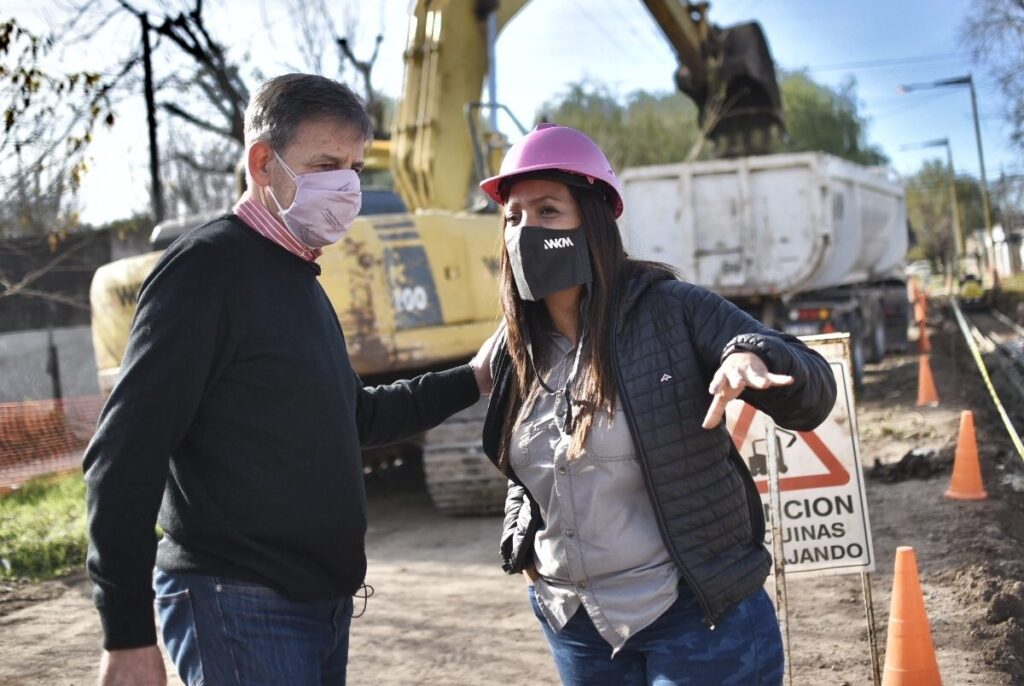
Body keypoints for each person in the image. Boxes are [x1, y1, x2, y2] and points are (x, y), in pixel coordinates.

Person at [84, 73, 496, 686]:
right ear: (262, 162)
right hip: (238, 602)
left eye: (356, 168)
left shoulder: (300, 277)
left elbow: (355, 417)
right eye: (328, 163)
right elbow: (124, 452)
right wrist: (127, 632)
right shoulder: (206, 271)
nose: (347, 187)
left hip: (316, 607)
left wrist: (473, 378)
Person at [477, 123, 838, 685]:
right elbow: (529, 467)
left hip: (695, 619)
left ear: (593, 220)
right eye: (513, 217)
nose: (526, 230)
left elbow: (813, 388)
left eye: (548, 211)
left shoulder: (673, 310)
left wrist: (753, 354)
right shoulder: (515, 346)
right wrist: (523, 550)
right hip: (577, 627)